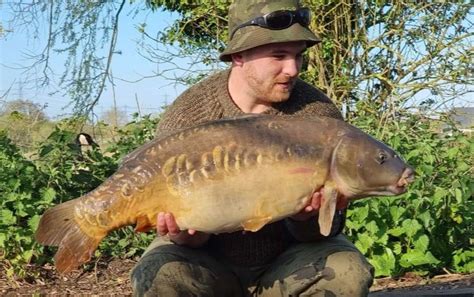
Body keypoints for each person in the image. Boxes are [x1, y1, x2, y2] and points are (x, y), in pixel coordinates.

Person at [131, 0, 374, 296]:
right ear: (239, 56)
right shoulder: (190, 114)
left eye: (298, 56)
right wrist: (187, 236)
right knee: (159, 275)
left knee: (347, 272)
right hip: (210, 263)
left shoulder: (317, 115)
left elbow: (326, 230)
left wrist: (305, 218)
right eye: (279, 55)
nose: (293, 69)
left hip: (289, 259)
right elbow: (180, 228)